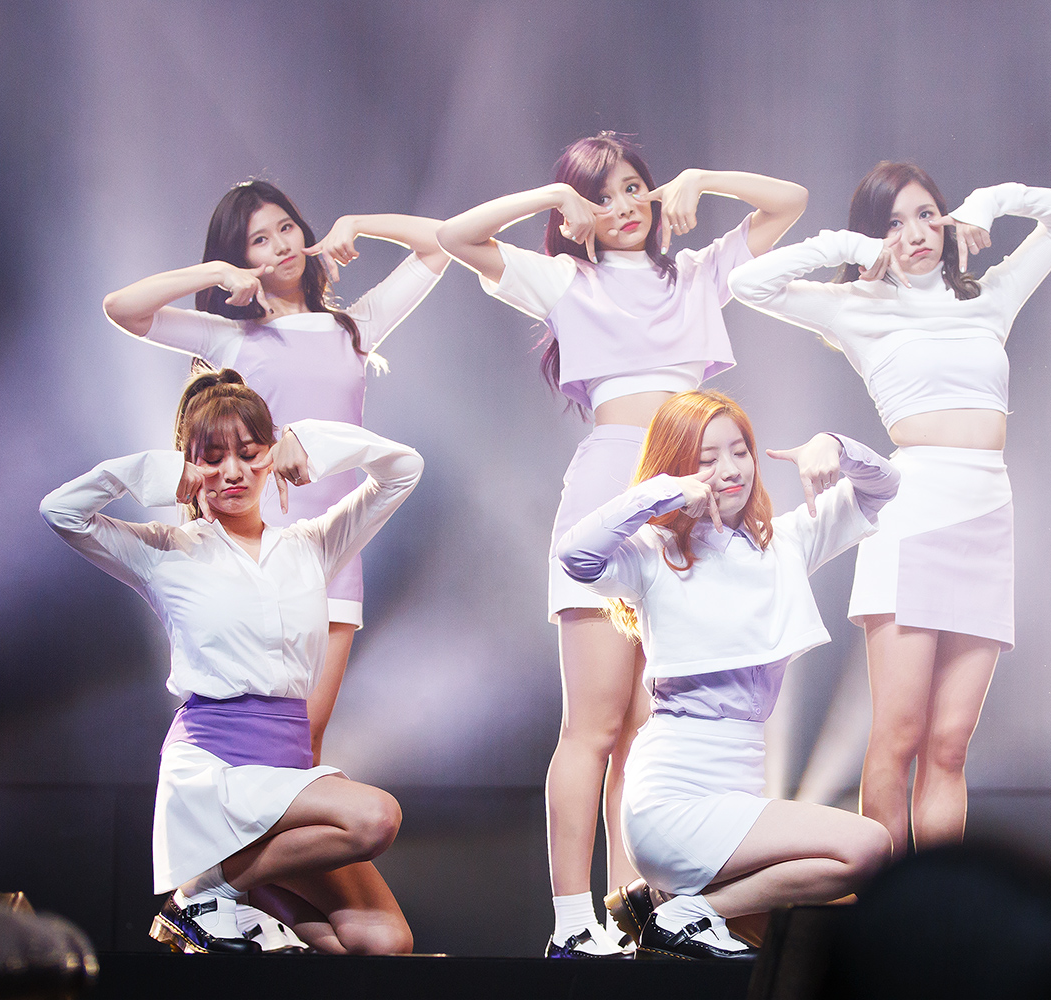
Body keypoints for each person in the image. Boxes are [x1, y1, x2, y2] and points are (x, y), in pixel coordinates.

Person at [436, 131, 807, 956]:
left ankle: (634, 914)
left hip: (691, 508)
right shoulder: (566, 280)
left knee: (648, 730)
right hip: (611, 492)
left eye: (633, 186)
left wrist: (704, 176)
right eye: (600, 195)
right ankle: (573, 922)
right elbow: (456, 236)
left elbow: (789, 203)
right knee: (593, 727)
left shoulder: (697, 274)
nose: (623, 206)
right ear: (581, 212)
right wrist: (550, 200)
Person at [729, 162, 1051, 853]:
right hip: (912, 516)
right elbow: (747, 284)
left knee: (950, 745)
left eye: (926, 214)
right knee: (898, 736)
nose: (916, 233)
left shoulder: (989, 296)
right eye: (892, 223)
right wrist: (846, 248)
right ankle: (881, 904)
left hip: (988, 516)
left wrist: (992, 202)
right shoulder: (857, 307)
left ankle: (937, 906)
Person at [43, 370, 422, 954]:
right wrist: (154, 472)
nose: (233, 472)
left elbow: (404, 469)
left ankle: (226, 891)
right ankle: (205, 892)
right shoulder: (164, 552)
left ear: (271, 455)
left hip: (287, 776)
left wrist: (312, 442)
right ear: (189, 465)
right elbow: (61, 511)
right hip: (215, 773)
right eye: (212, 458)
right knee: (375, 818)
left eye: (249, 453)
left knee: (383, 942)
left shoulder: (311, 545)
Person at [101, 179, 450, 762]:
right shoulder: (231, 338)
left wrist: (359, 222)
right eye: (258, 240)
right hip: (252, 557)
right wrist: (215, 273)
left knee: (306, 741)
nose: (281, 245)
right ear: (242, 259)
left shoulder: (354, 328)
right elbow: (122, 309)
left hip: (332, 556)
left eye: (286, 227)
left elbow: (442, 244)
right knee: (266, 740)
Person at [554, 390, 897, 959]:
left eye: (740, 451)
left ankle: (674, 908)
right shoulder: (654, 553)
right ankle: (688, 913)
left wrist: (838, 447)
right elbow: (575, 557)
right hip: (670, 802)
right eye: (706, 459)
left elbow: (883, 487)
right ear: (676, 467)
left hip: (735, 805)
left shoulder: (785, 542)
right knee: (868, 846)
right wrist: (660, 493)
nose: (730, 470)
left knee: (841, 903)